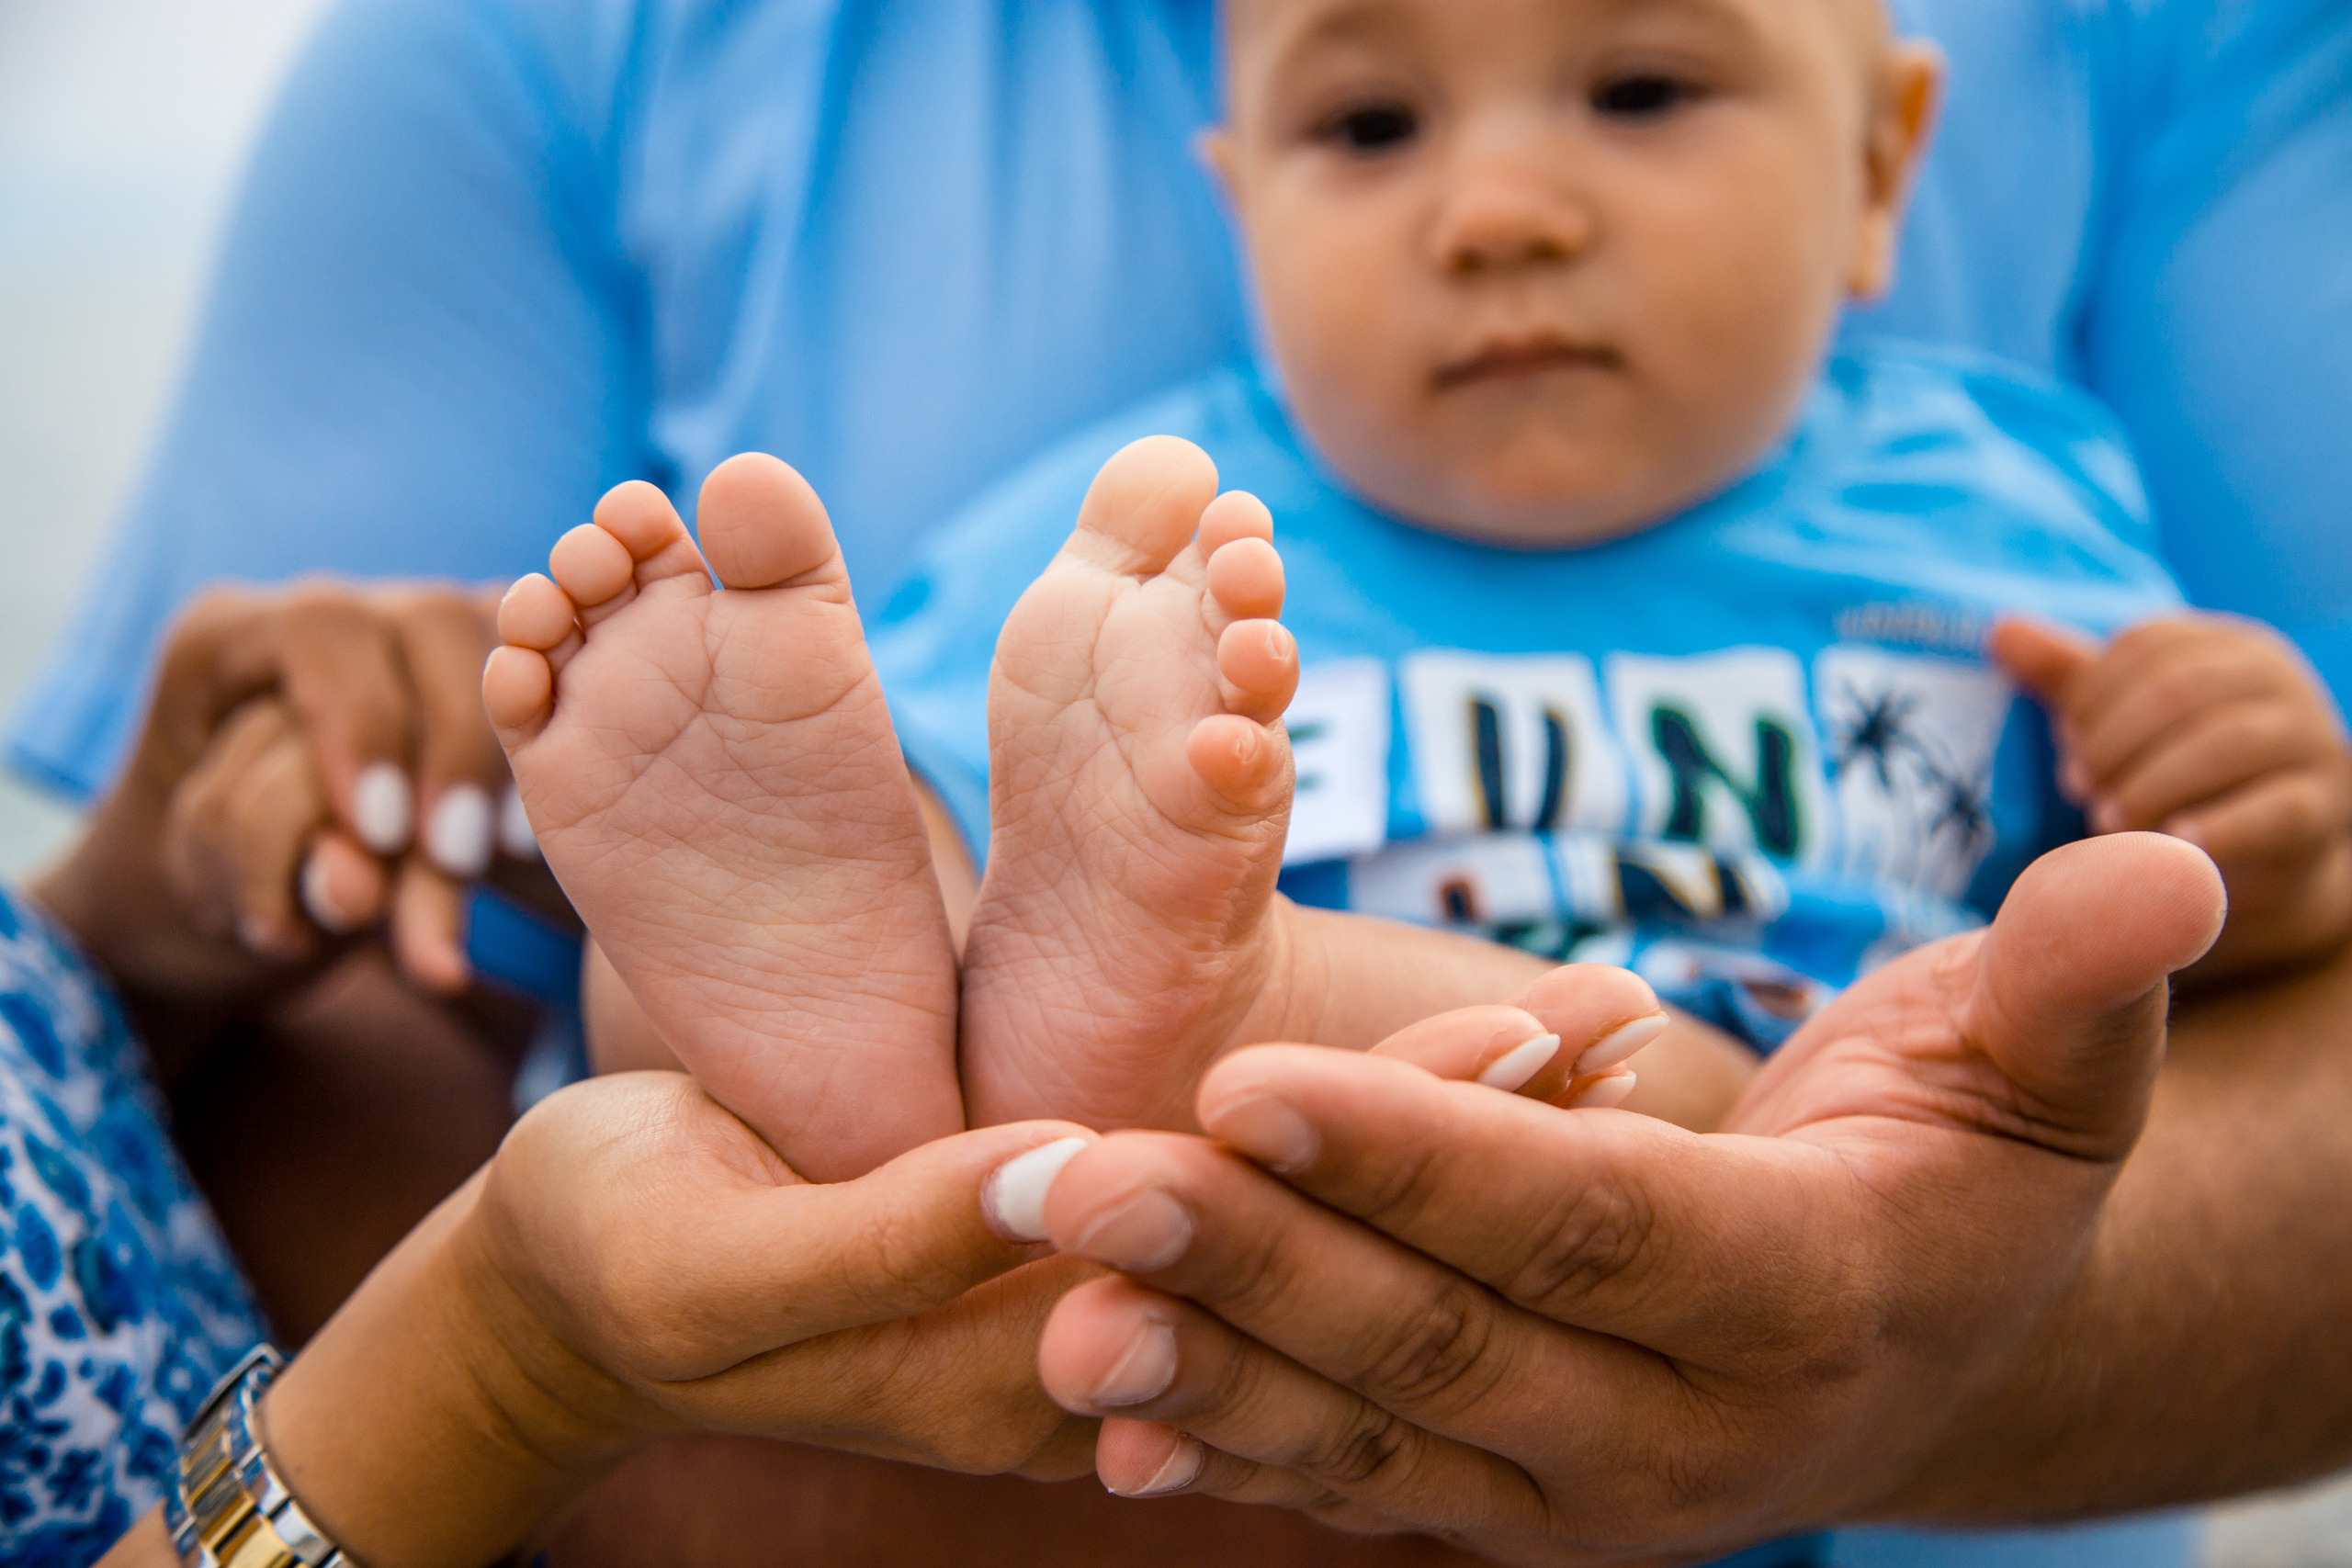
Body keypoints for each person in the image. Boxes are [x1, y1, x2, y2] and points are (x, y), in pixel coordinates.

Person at [11, 0, 2352, 1559]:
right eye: (1367, 126)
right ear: (1237, 211)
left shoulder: (2011, 522)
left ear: (1881, 170)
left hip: (1745, 1160)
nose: (1501, 207)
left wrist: (2254, 804)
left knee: (1671, 1101)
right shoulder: (1156, 546)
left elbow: (2226, 939)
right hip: (1152, 1236)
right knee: (883, 983)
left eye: (1639, 94)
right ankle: (870, 1006)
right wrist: (811, 892)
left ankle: (1159, 1001)